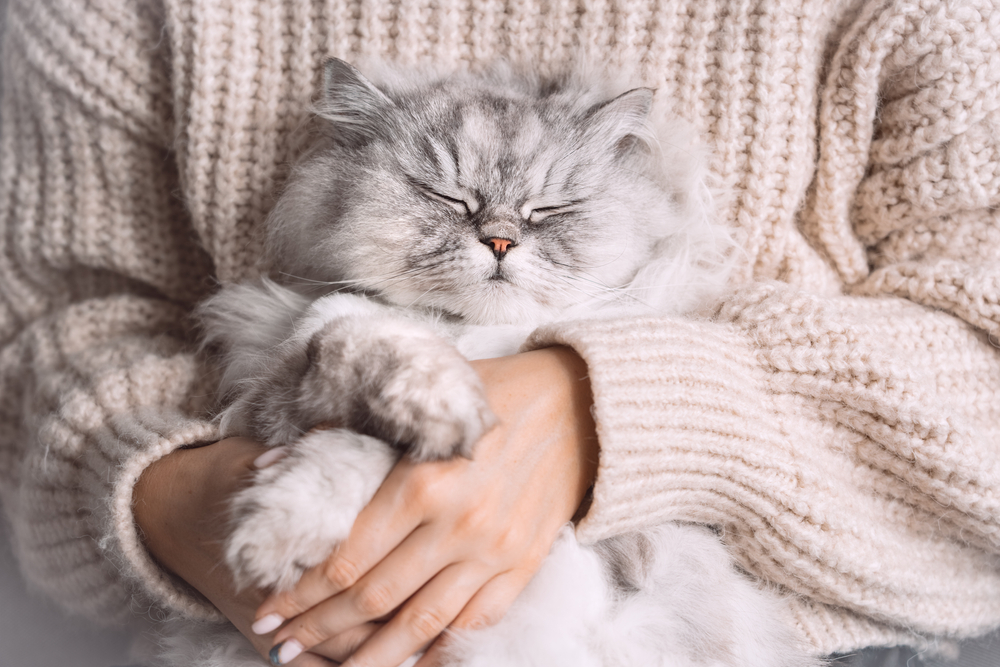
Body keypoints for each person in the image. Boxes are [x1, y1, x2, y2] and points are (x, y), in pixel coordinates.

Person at [2, 0, 999, 666]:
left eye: (543, 217)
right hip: (259, 617)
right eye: (447, 200)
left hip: (789, 623)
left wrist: (606, 414)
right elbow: (59, 318)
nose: (496, 236)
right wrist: (170, 498)